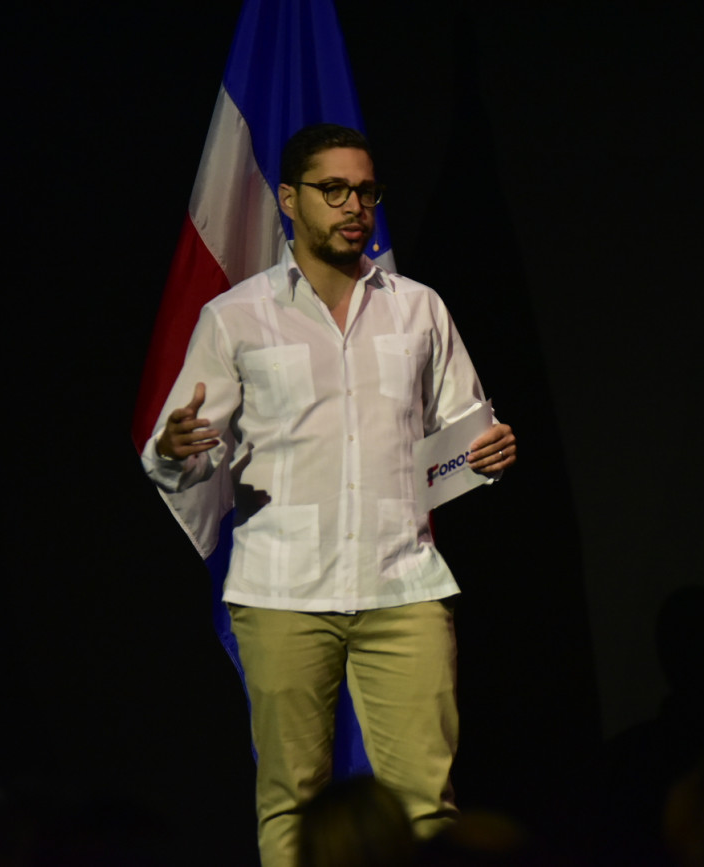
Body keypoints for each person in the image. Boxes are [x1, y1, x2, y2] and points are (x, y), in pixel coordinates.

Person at [141, 123, 515, 867]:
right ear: (289, 199)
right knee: (292, 803)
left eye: (366, 191)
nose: (355, 206)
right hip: (282, 589)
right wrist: (175, 448)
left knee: (428, 807)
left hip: (403, 583)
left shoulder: (419, 308)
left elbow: (467, 430)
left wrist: (490, 454)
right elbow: (183, 450)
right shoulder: (237, 316)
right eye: (334, 190)